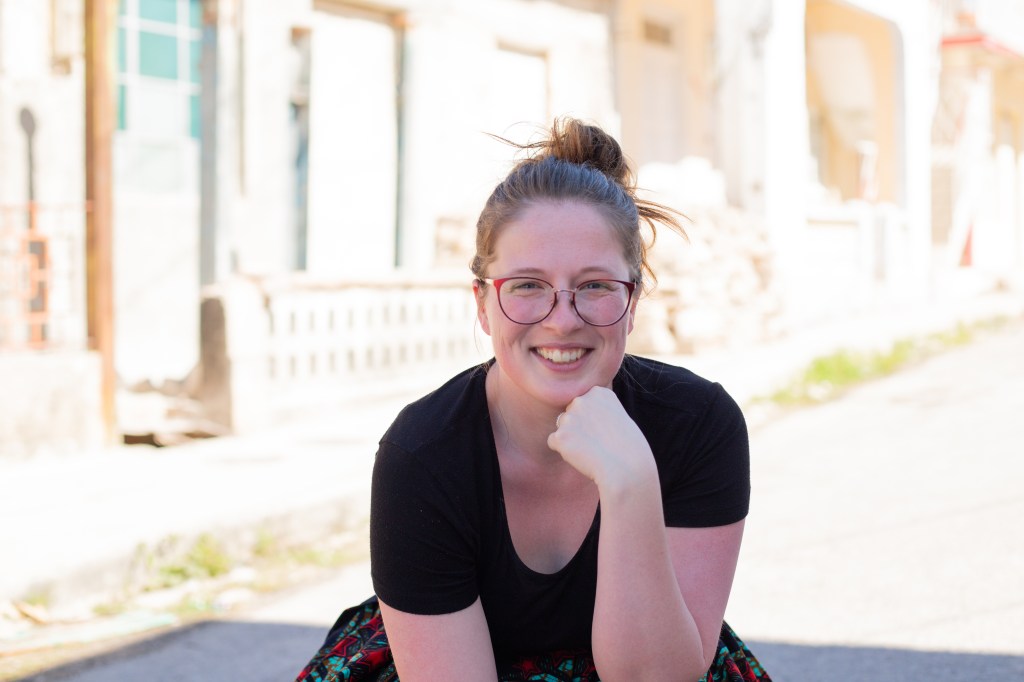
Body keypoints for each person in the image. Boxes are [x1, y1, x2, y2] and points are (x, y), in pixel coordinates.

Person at [296, 118, 770, 682]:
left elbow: (658, 678)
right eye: (527, 285)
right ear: (482, 304)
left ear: (634, 298)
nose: (562, 320)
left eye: (595, 285)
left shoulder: (698, 424)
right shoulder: (422, 453)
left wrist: (631, 485)